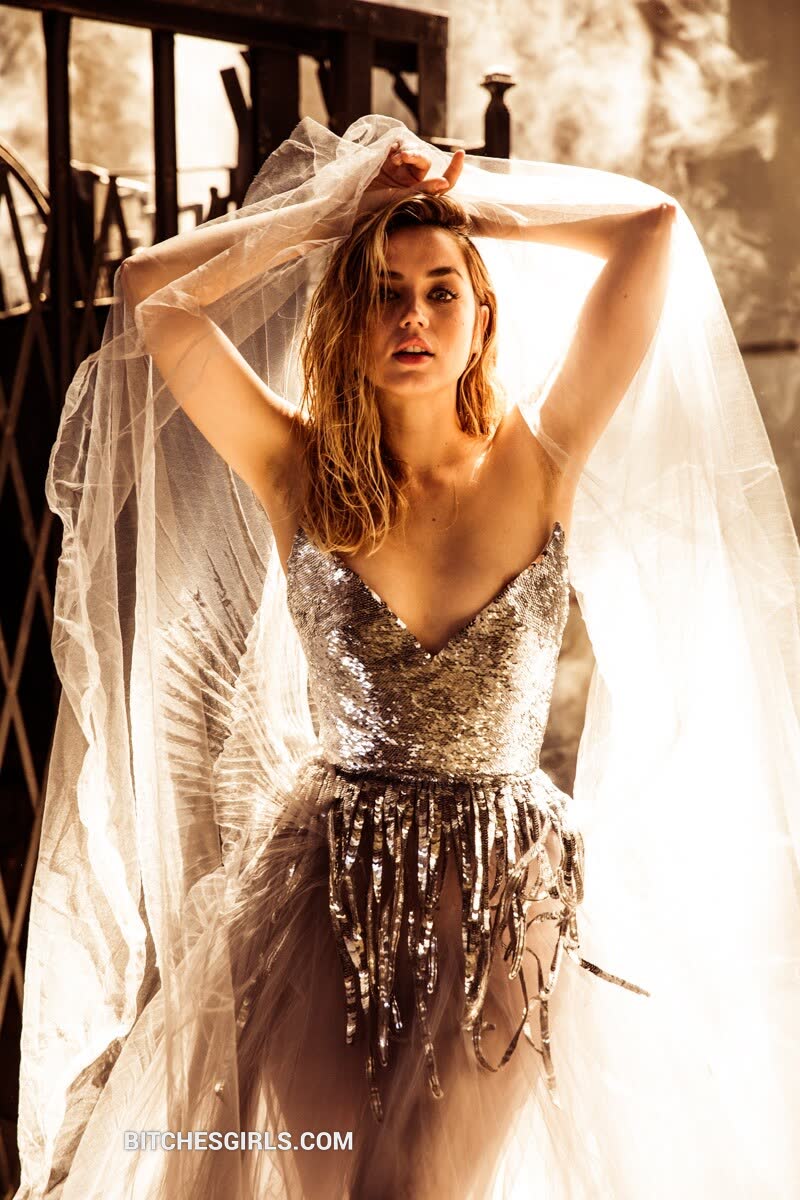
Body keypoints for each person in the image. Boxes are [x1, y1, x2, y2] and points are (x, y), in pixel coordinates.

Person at [14, 116, 800, 1200]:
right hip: (321, 888)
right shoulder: (294, 468)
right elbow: (151, 290)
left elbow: (650, 231)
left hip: (503, 887)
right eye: (384, 292)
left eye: (440, 291)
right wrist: (334, 218)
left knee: (418, 1188)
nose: (413, 316)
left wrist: (460, 205)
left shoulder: (542, 456)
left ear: (481, 317)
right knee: (327, 1182)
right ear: (349, 316)